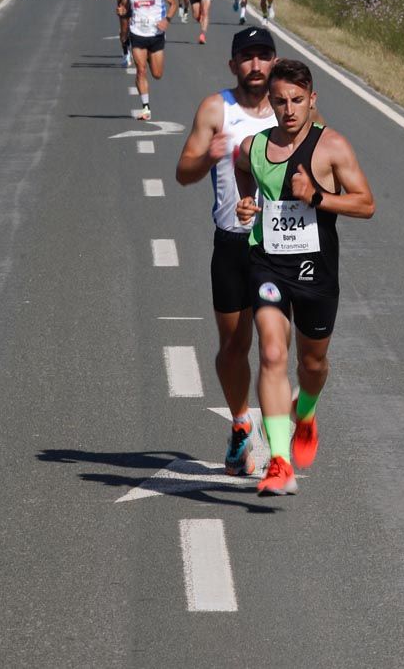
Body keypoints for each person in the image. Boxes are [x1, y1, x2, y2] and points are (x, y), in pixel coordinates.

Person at [235, 58, 375, 495]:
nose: (289, 109)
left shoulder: (331, 146)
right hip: (267, 262)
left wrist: (317, 196)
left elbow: (366, 204)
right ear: (269, 104)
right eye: (280, 101)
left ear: (312, 100)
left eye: (298, 100)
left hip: (316, 269)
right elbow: (241, 168)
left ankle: (307, 412)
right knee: (273, 353)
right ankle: (279, 460)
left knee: (311, 365)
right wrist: (245, 203)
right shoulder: (253, 147)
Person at [176, 27, 278, 476]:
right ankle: (240, 426)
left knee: (275, 350)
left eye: (263, 56)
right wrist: (208, 155)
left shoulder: (290, 108)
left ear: (274, 61)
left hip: (281, 247)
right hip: (233, 243)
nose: (256, 65)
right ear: (233, 64)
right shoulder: (217, 109)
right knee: (235, 345)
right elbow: (183, 172)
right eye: (247, 57)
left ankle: (279, 452)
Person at [117, 0, 177, 120]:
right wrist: (122, 12)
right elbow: (124, 8)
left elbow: (174, 4)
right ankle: (145, 107)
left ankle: (151, 57)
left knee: (157, 74)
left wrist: (167, 20)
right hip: (137, 33)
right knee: (141, 70)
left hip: (156, 35)